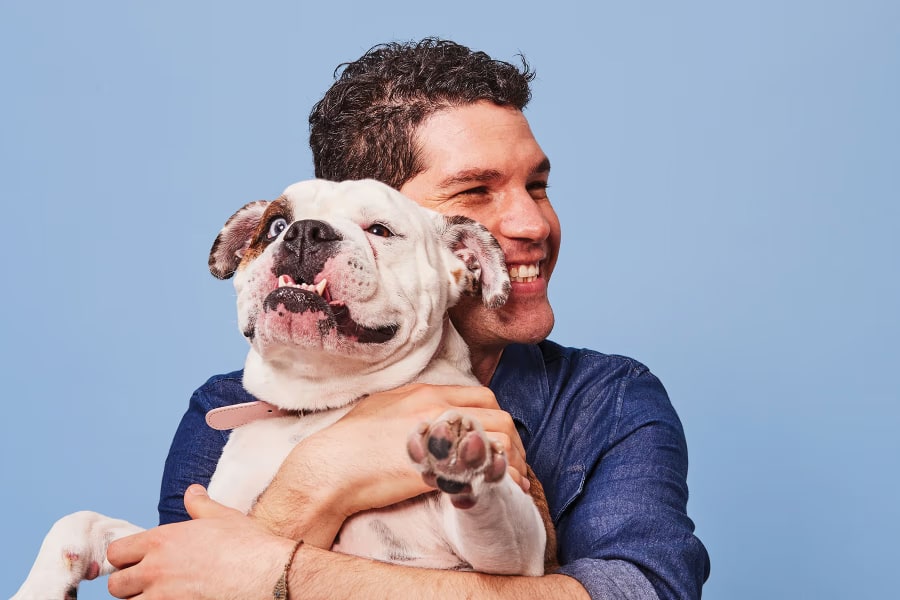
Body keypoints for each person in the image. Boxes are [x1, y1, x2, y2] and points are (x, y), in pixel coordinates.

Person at [107, 38, 710, 599]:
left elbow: (642, 591)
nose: (533, 225)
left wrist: (277, 570)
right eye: (476, 191)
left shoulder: (606, 403)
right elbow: (184, 581)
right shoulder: (228, 410)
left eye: (538, 184)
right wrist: (324, 473)